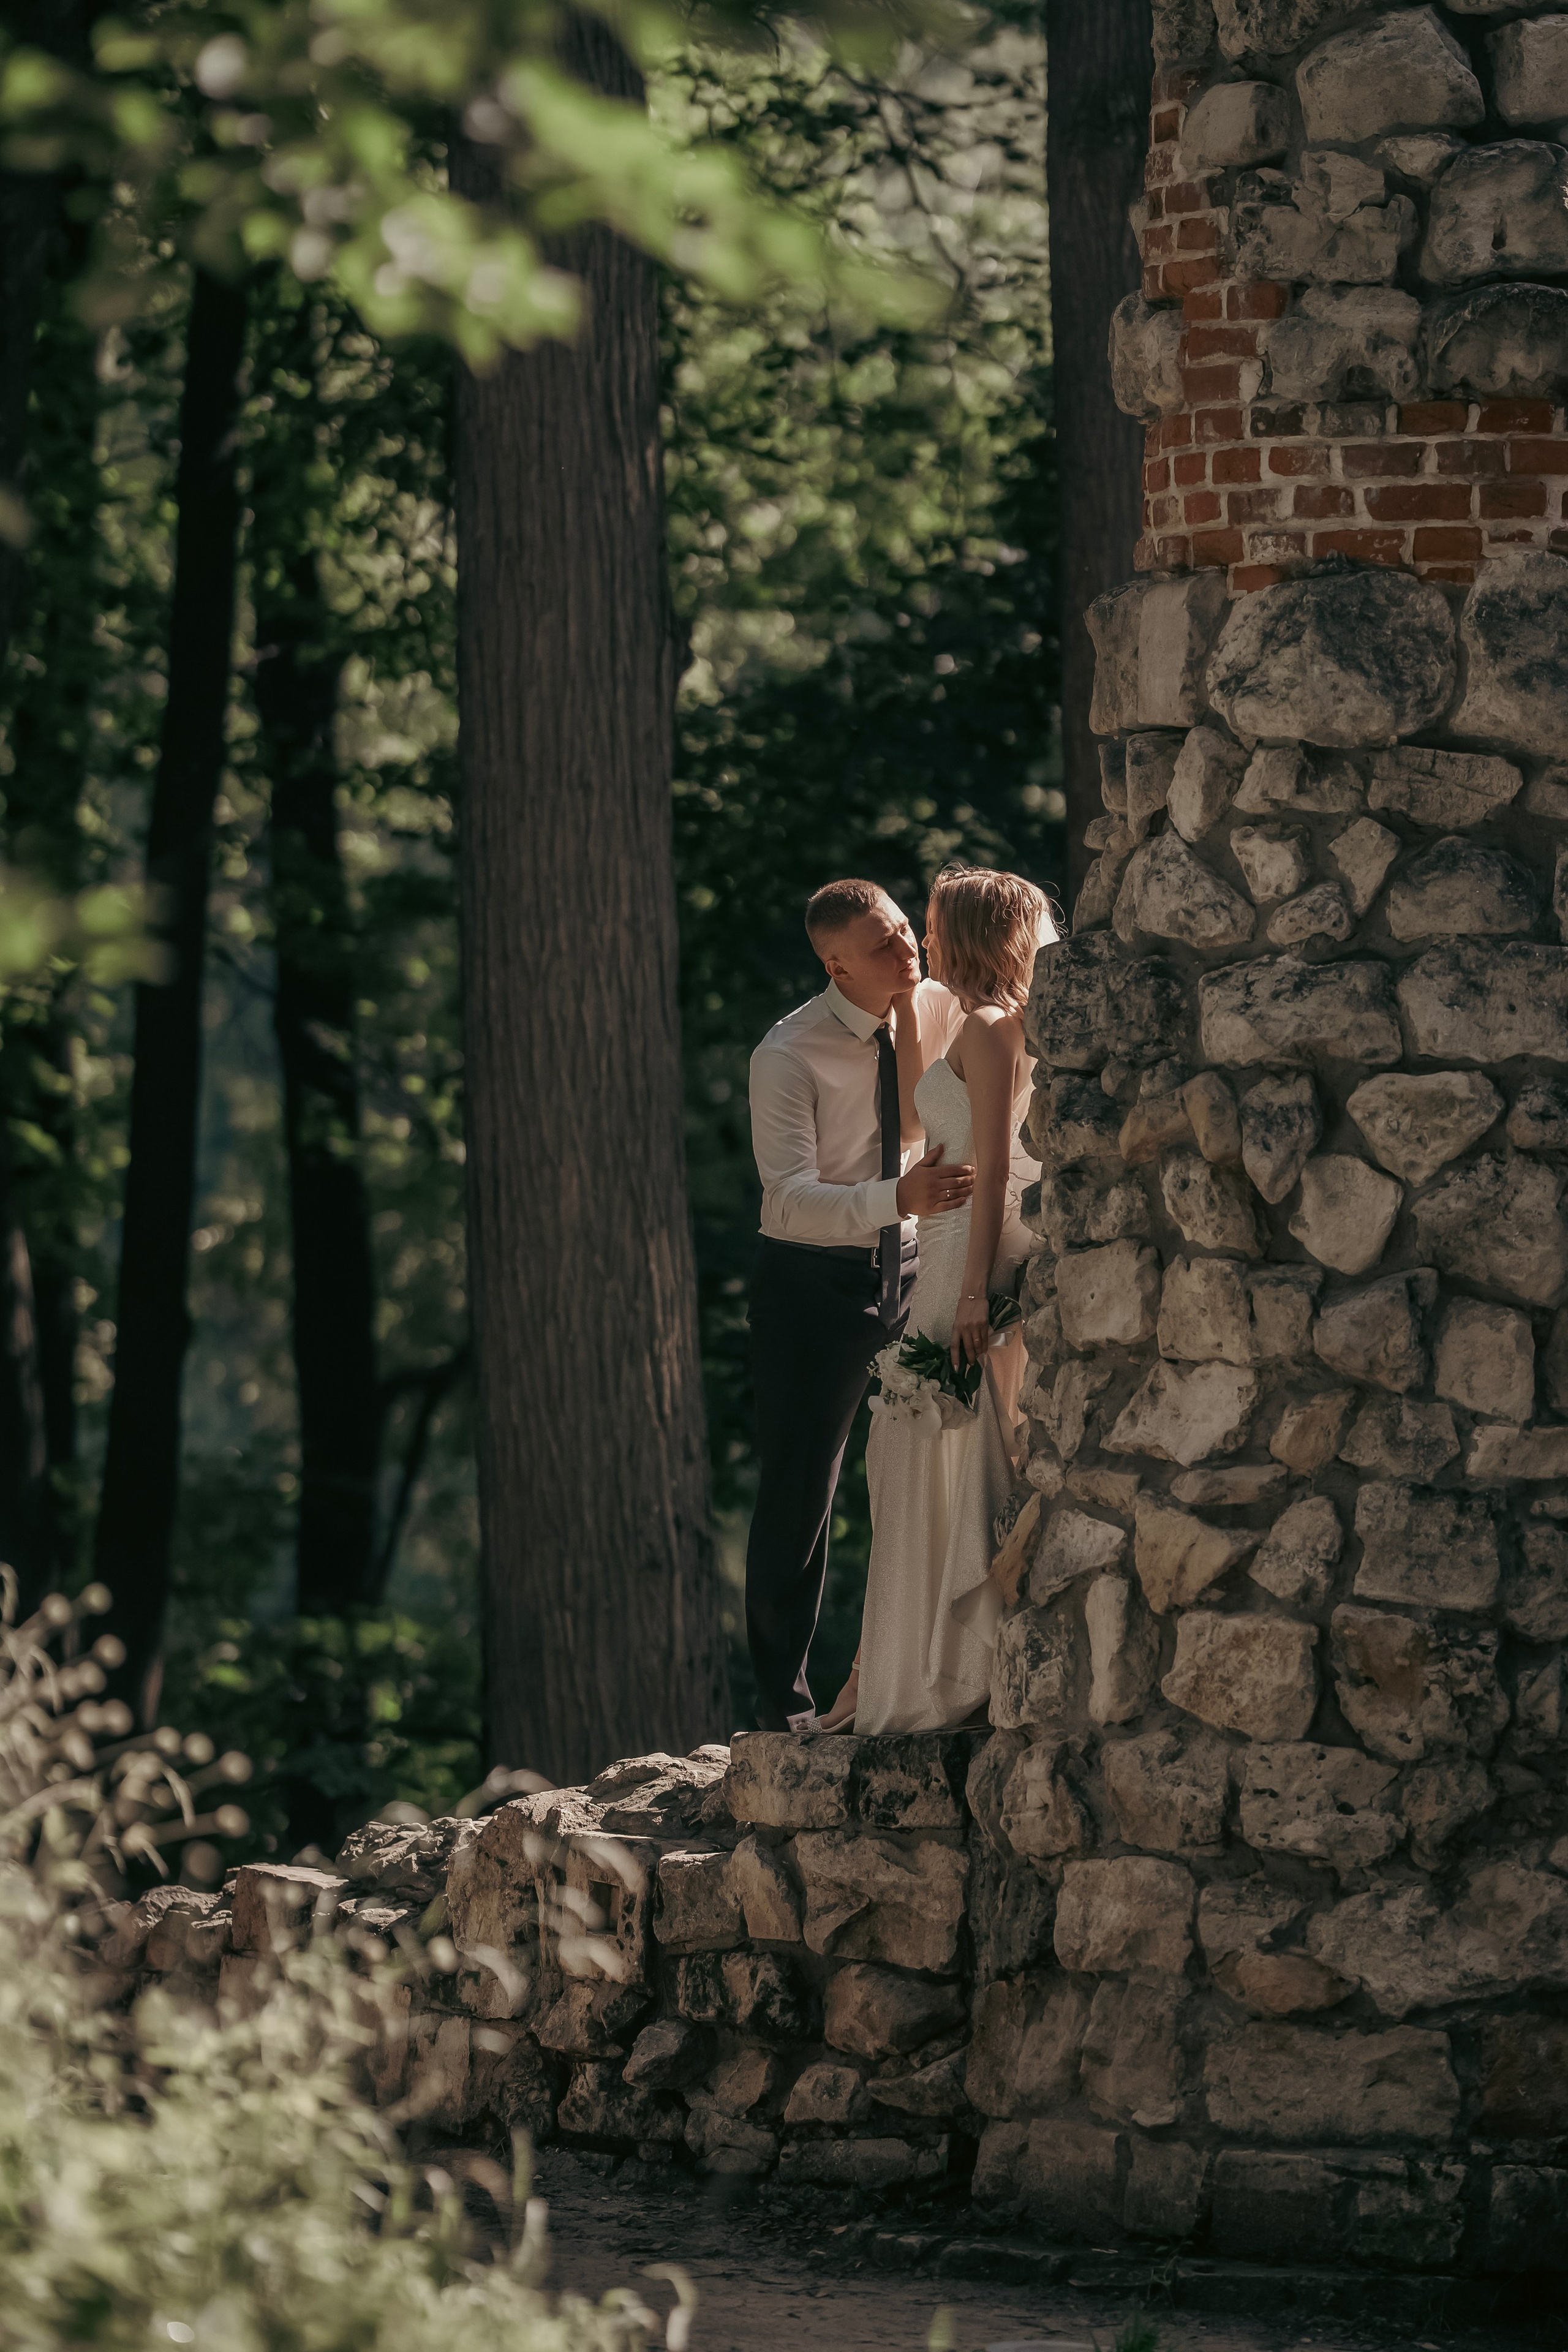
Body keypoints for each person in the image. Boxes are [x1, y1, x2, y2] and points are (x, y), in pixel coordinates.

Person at [821, 864, 1054, 1736]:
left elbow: (992, 1170)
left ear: (967, 933)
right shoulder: (966, 1020)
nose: (920, 940)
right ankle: (898, 1661)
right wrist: (905, 1009)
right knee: (912, 1446)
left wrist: (971, 1295)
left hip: (970, 1254)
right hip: (951, 1240)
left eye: (930, 925)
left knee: (943, 1439)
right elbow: (924, 1127)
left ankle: (950, 1664)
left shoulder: (992, 1030)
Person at [744, 879, 972, 1731]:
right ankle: (783, 1708)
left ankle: (918, 1677)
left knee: (936, 1461)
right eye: (884, 945)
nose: (908, 950)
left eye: (906, 930)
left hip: (916, 1267)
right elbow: (788, 1199)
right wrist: (897, 1196)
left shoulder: (935, 1007)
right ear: (837, 965)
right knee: (802, 1493)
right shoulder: (787, 1055)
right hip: (813, 1287)